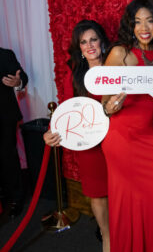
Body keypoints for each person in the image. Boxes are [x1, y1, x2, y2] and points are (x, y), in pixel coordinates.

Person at [101, 0, 153, 252]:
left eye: (150, 21)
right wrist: (110, 106)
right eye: (137, 21)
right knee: (127, 203)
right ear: (130, 24)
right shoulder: (120, 53)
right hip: (122, 140)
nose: (144, 28)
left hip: (152, 138)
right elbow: (103, 103)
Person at [43, 20, 110, 252]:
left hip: (117, 141)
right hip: (90, 146)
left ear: (102, 41)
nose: (90, 45)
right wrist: (52, 132)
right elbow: (67, 111)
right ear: (79, 47)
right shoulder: (74, 74)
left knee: (121, 190)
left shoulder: (118, 67)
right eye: (83, 42)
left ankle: (121, 229)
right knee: (98, 193)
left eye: (93, 39)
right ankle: (106, 234)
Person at [0, 47, 28, 218]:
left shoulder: (4, 55)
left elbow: (22, 77)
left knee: (7, 158)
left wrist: (17, 82)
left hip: (3, 118)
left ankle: (16, 197)